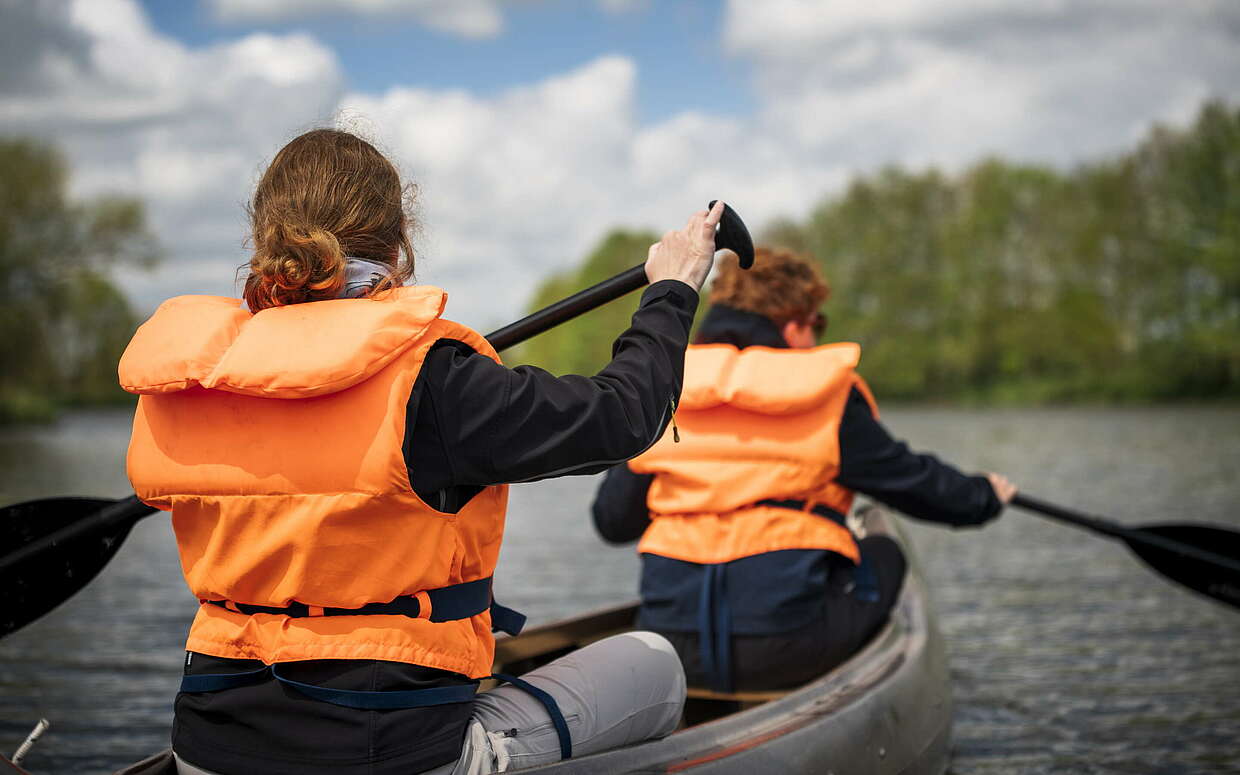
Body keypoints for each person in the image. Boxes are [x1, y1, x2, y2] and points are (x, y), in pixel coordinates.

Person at [119, 128, 726, 775]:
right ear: (400, 241)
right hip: (387, 756)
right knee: (656, 666)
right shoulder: (432, 380)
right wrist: (673, 290)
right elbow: (629, 414)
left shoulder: (190, 386)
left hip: (209, 753)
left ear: (265, 238)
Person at [592, 246, 1017, 694]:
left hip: (673, 653)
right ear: (794, 325)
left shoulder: (663, 387)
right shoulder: (824, 391)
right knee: (885, 549)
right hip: (788, 651)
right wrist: (983, 495)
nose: (815, 337)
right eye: (818, 324)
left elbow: (613, 521)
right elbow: (914, 483)